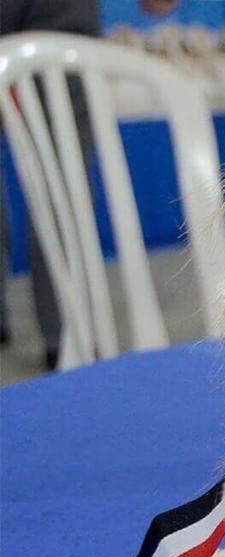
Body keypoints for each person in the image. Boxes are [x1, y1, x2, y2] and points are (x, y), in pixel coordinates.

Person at [0, 0, 100, 369]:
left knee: (62, 168)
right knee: (63, 171)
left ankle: (68, 336)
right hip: (55, 16)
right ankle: (68, 336)